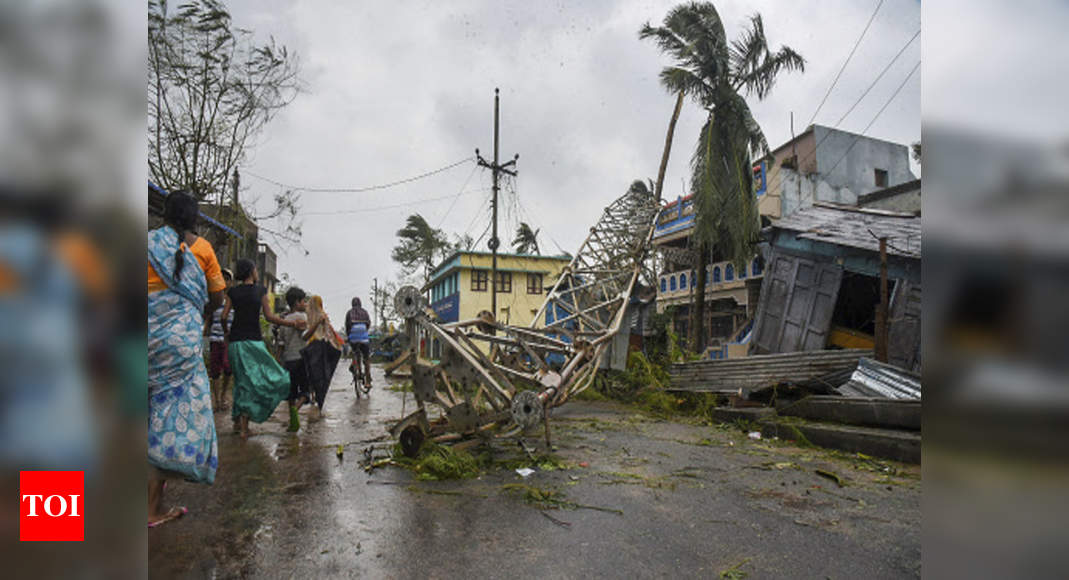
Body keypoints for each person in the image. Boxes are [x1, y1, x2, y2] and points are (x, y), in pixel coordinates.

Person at [147, 190, 225, 527]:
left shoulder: (147, 243)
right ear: (195, 218)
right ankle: (150, 509)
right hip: (180, 347)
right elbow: (217, 298)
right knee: (168, 424)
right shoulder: (204, 250)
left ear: (164, 214)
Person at [222, 258, 305, 438]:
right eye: (256, 269)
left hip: (235, 342)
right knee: (274, 378)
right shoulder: (260, 291)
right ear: (252, 271)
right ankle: (245, 427)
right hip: (253, 342)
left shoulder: (232, 292)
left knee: (241, 381)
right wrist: (291, 324)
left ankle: (237, 423)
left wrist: (226, 333)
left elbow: (223, 316)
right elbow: (269, 317)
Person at [302, 295, 343, 411]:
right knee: (321, 373)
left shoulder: (306, 314)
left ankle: (312, 394)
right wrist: (336, 344)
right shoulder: (323, 315)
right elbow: (328, 332)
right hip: (320, 346)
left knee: (310, 372)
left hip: (309, 346)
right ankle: (318, 397)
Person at [279, 286, 310, 432]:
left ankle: (292, 421)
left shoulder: (284, 320)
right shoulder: (302, 317)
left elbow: (281, 343)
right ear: (297, 303)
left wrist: (279, 362)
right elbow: (306, 335)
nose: (305, 304)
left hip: (288, 360)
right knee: (305, 391)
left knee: (291, 393)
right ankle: (295, 412)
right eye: (304, 301)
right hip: (301, 358)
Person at [203, 268, 234, 411]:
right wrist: (203, 332)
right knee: (215, 370)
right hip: (215, 337)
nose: (224, 281)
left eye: (227, 279)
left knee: (228, 368)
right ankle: (217, 400)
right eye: (222, 278)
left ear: (230, 282)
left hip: (228, 338)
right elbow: (208, 318)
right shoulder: (213, 298)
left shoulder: (233, 299)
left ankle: (223, 395)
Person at [345, 297, 372, 387]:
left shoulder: (349, 313)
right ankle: (368, 381)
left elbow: (347, 326)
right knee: (366, 358)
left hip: (353, 337)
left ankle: (357, 370)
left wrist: (349, 337)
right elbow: (368, 323)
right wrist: (364, 332)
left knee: (356, 354)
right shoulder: (365, 312)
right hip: (364, 337)